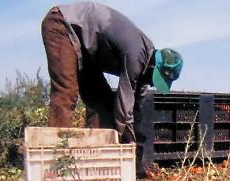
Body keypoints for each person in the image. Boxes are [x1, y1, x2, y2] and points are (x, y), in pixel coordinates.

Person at [41, 2, 183, 145]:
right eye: (155, 79)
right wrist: (129, 140)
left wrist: (137, 135)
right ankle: (57, 156)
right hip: (63, 24)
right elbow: (124, 106)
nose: (153, 83)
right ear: (153, 66)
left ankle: (96, 153)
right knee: (66, 91)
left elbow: (135, 107)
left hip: (87, 50)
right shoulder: (136, 56)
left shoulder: (144, 66)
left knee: (102, 101)